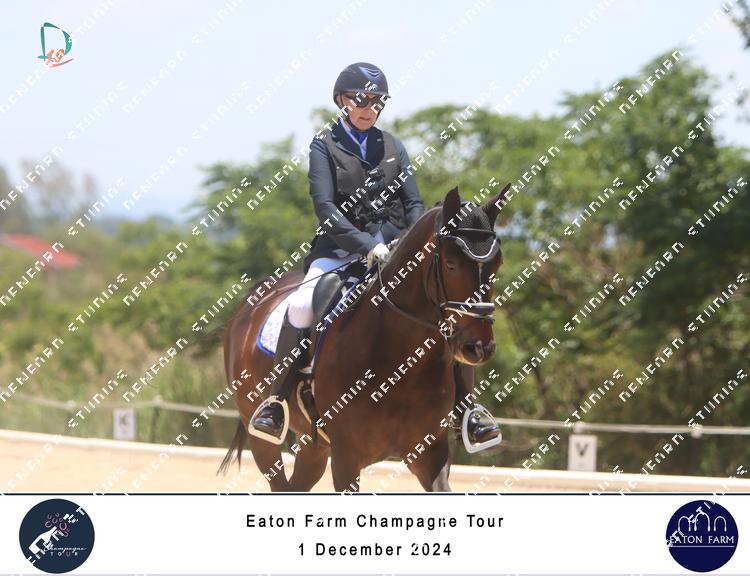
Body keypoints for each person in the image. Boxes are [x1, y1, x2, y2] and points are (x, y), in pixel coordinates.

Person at [250, 62, 501, 452]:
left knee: (446, 309)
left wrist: (408, 245)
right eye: (361, 100)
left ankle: (468, 410)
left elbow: (414, 204)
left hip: (394, 252)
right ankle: (277, 402)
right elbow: (325, 208)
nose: (370, 108)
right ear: (342, 101)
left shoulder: (393, 146)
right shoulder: (324, 145)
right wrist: (366, 245)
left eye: (377, 102)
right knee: (301, 305)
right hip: (339, 251)